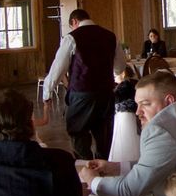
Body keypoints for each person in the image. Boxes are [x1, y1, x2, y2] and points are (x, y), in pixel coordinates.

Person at [42, 8, 129, 162]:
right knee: (104, 137)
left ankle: (86, 167)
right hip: (106, 94)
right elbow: (120, 67)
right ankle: (104, 171)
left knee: (78, 134)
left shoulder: (71, 38)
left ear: (74, 22)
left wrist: (47, 93)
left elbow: (57, 68)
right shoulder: (110, 36)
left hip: (81, 95)